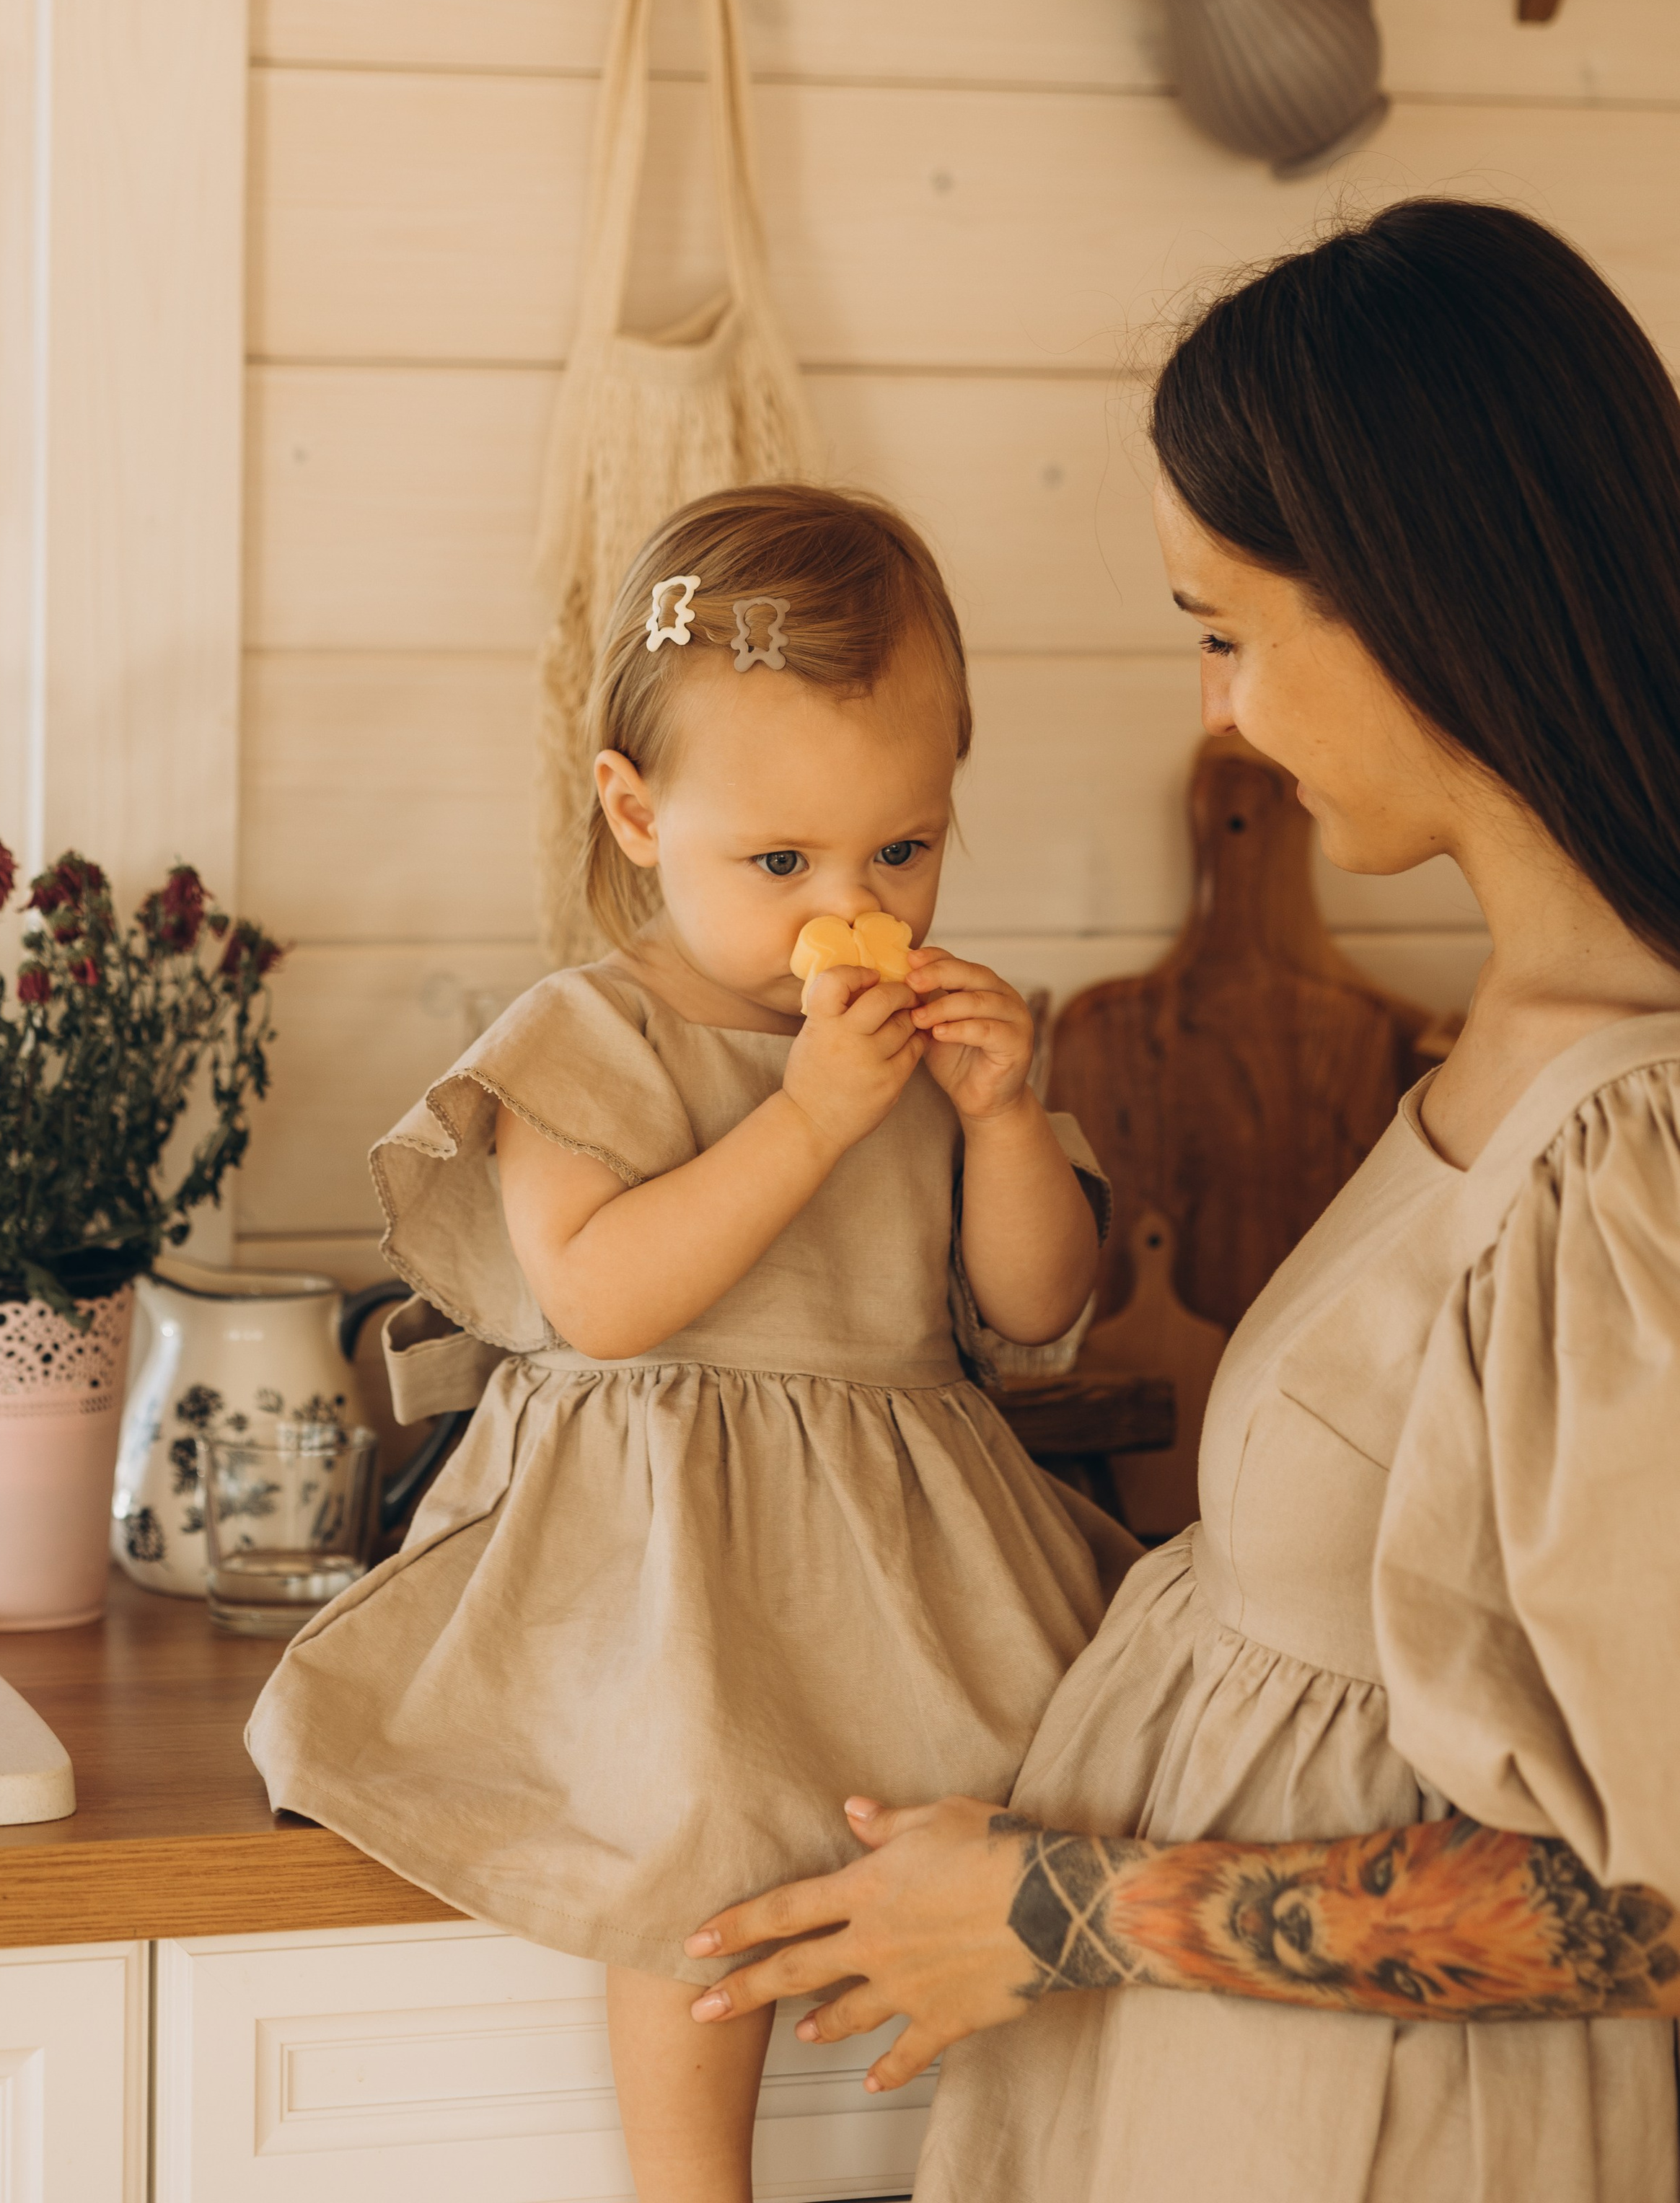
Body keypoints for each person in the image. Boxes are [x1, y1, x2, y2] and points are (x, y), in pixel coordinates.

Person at [678, 199, 1680, 2203]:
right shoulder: (1522, 1031)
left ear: (1415, 598)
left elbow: (1651, 1913)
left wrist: (1062, 1916)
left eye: (1230, 632)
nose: (1220, 713)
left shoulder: (1636, 1136)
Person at [247, 484, 1137, 2203]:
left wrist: (1007, 1118)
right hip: (654, 1548)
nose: (849, 904)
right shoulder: (589, 1035)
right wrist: (807, 1121)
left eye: (903, 848)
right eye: (781, 862)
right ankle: (688, 2188)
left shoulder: (920, 1043)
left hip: (903, 1535)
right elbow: (599, 1298)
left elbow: (1034, 1313)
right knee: (700, 1843)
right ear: (636, 813)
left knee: (1033, 1815)